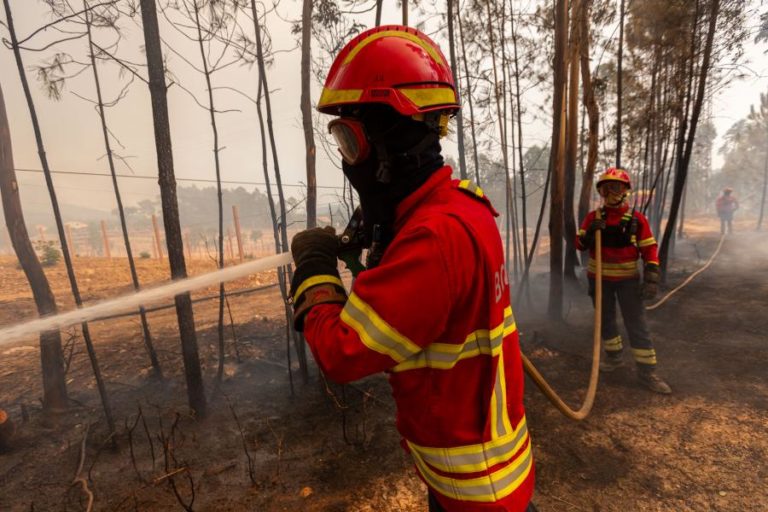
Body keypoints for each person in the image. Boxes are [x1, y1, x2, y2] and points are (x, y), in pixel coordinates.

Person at [288, 26, 535, 512]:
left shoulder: (431, 239)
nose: (347, 160)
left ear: (390, 142)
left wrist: (315, 270)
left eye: (349, 139)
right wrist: (378, 231)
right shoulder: (462, 208)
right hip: (485, 472)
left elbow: (343, 355)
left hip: (475, 492)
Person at [576, 168, 672, 395]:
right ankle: (614, 358)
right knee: (606, 320)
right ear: (601, 191)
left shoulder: (637, 219)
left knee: (636, 324)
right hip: (599, 280)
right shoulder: (593, 218)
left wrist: (651, 278)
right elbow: (579, 244)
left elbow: (649, 248)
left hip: (628, 280)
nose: (611, 192)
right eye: (606, 188)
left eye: (616, 187)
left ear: (626, 191)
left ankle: (647, 373)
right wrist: (589, 233)